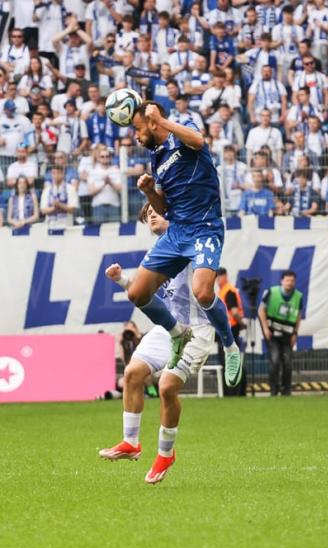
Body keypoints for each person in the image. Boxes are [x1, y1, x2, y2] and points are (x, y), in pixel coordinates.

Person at [127, 101, 242, 389]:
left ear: (153, 122)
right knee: (137, 293)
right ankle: (177, 333)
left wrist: (161, 121)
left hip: (204, 228)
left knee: (203, 293)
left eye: (138, 129)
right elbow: (163, 209)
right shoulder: (157, 158)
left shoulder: (183, 129)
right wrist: (149, 191)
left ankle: (230, 347)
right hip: (177, 232)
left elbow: (199, 141)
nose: (135, 136)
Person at [99, 203, 216, 485]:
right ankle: (131, 442)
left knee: (166, 387)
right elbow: (152, 300)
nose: (151, 214)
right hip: (169, 328)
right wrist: (123, 281)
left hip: (197, 330)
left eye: (156, 210)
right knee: (132, 373)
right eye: (147, 213)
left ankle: (165, 453)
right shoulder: (158, 254)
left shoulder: (193, 241)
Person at [258, 271, 304, 396]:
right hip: (272, 334)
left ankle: (286, 390)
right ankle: (274, 389)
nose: (290, 283)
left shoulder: (298, 296)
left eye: (292, 281)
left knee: (288, 362)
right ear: (282, 281)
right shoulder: (271, 292)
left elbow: (299, 315)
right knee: (275, 360)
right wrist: (265, 328)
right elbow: (261, 309)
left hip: (287, 335)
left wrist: (295, 333)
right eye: (287, 280)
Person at [216, 268, 246, 396]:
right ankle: (235, 392)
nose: (217, 280)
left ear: (224, 276)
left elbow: (234, 312)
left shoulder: (228, 291)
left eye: (218, 277)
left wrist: (242, 323)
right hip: (228, 330)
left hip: (229, 332)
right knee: (233, 361)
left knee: (230, 362)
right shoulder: (225, 291)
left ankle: (233, 392)